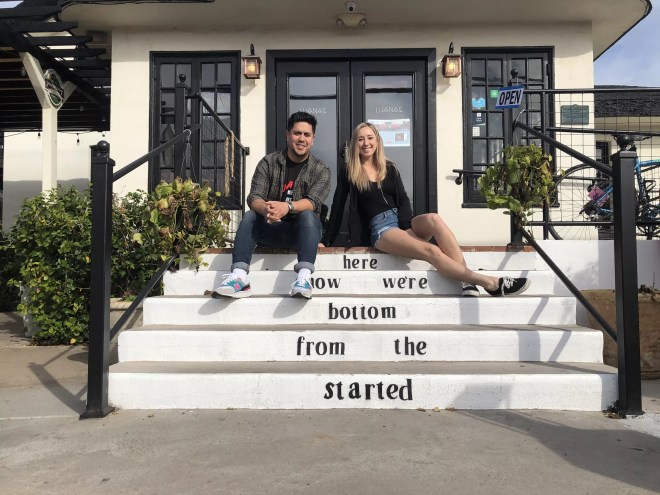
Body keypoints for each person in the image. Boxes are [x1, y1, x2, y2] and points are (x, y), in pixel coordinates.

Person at [321, 122, 530, 297]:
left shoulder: (389, 167)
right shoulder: (350, 171)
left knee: (434, 219)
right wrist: (327, 240)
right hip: (382, 230)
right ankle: (490, 283)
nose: (366, 143)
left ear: (377, 141)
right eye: (360, 139)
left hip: (401, 221)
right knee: (432, 250)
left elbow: (403, 199)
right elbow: (338, 204)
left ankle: (467, 281)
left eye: (369, 138)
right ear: (355, 144)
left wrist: (407, 228)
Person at [213, 111, 331, 299]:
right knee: (251, 215)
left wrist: (287, 207)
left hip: (303, 234)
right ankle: (239, 277)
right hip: (271, 229)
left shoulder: (320, 169)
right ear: (288, 135)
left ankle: (303, 279)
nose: (301, 139)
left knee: (308, 215)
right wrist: (266, 209)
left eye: (306, 135)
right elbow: (254, 197)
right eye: (297, 133)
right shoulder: (269, 163)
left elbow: (313, 202)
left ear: (312, 139)